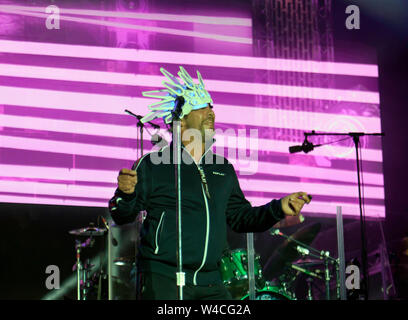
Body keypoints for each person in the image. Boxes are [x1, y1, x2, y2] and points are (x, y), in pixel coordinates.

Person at [109, 66, 312, 300]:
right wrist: (126, 194)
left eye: (211, 108)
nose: (210, 113)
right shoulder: (153, 164)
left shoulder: (222, 169)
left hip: (211, 282)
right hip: (165, 280)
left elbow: (240, 218)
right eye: (200, 108)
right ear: (181, 122)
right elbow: (122, 215)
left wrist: (278, 208)